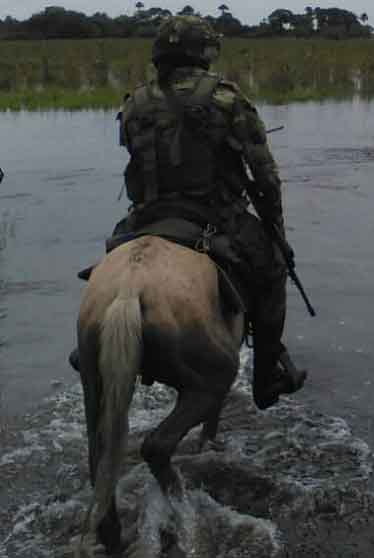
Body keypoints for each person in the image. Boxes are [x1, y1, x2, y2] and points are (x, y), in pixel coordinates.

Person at [68, 15, 305, 410]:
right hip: (217, 215)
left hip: (145, 217)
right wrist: (277, 232)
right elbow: (265, 176)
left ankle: (87, 347)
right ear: (206, 54)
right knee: (273, 271)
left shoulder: (135, 102)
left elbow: (137, 160)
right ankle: (266, 376)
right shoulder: (227, 98)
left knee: (113, 262)